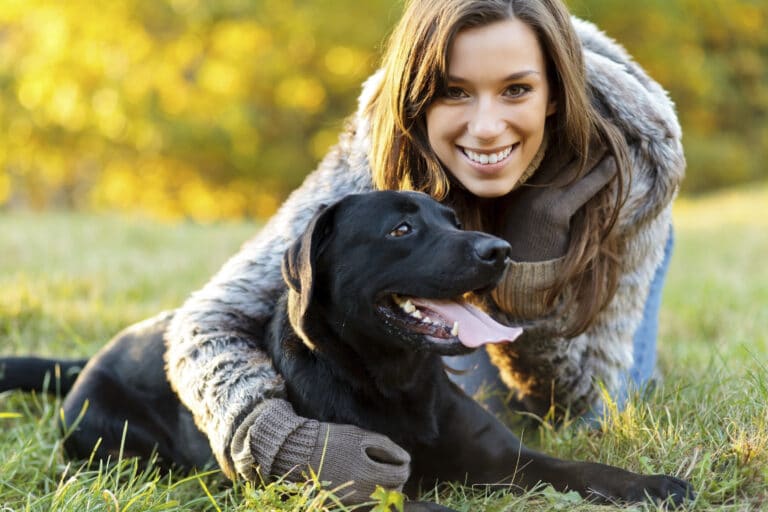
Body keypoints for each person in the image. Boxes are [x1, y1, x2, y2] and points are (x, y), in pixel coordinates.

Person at [163, 0, 684, 503]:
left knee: (581, 408)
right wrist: (281, 440)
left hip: (589, 265)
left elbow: (569, 405)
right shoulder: (374, 159)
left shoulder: (630, 168)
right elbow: (205, 324)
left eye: (516, 90)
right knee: (454, 395)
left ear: (553, 95)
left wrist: (531, 270)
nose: (485, 127)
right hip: (441, 293)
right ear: (420, 100)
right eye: (455, 92)